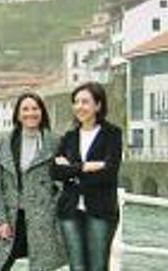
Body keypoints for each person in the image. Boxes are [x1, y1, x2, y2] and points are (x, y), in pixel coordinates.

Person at [0, 92, 67, 271]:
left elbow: (62, 181)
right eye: (25, 109)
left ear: (42, 112)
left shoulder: (55, 142)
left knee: (41, 266)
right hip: (11, 216)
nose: (30, 113)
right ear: (17, 114)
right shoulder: (5, 142)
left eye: (35, 108)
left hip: (42, 219)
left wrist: (52, 209)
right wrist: (1, 221)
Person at [51, 82, 122, 271]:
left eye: (85, 102)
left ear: (98, 105)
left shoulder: (112, 135)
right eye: (76, 102)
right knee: (77, 267)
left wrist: (72, 171)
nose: (79, 107)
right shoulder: (69, 137)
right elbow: (55, 172)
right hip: (70, 210)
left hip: (100, 210)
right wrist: (84, 167)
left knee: (98, 267)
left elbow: (108, 173)